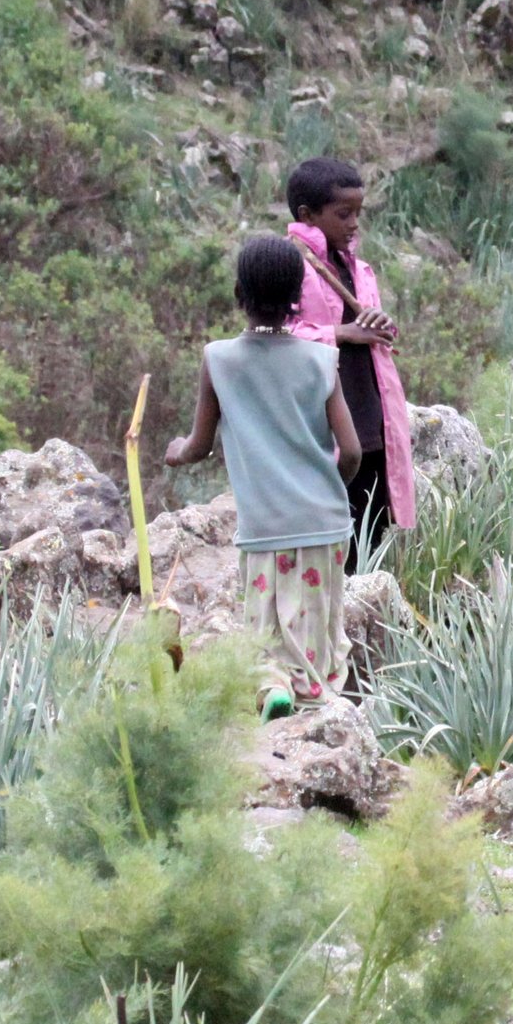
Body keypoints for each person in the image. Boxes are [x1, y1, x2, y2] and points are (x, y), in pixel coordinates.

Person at [165, 236, 363, 718]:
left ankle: (272, 685)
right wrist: (329, 488)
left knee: (264, 621)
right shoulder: (321, 359)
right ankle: (312, 694)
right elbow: (353, 450)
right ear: (298, 295)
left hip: (265, 526)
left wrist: (176, 452)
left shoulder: (219, 359)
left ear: (239, 293)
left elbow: (199, 445)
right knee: (316, 624)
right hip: (324, 521)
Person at [284, 157, 414, 568]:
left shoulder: (358, 269)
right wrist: (342, 333)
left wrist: (381, 325)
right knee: (332, 543)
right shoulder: (290, 264)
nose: (354, 224)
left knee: (368, 540)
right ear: (307, 215)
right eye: (343, 214)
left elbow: (376, 337)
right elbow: (274, 336)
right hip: (329, 432)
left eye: (358, 213)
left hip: (373, 425)